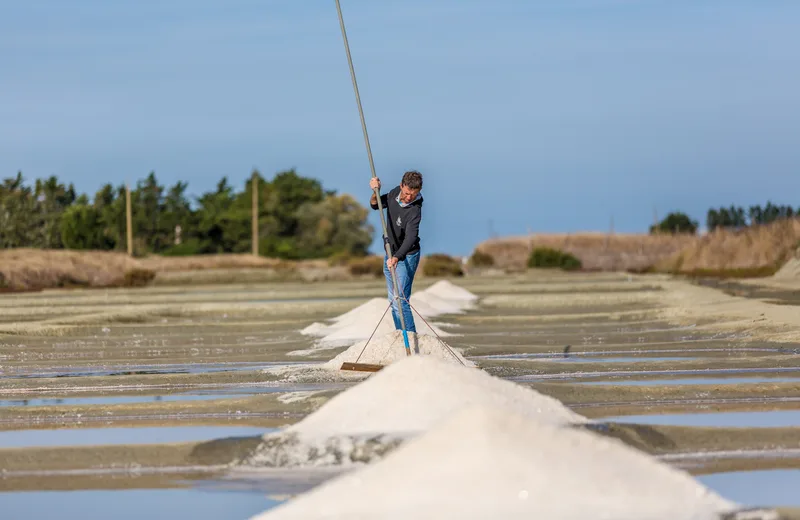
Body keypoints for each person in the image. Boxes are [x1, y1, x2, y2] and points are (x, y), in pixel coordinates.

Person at [369, 170, 423, 334]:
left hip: (406, 256)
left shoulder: (415, 210)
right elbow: (375, 204)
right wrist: (375, 191)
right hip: (390, 254)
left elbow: (410, 238)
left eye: (413, 194)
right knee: (393, 301)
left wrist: (397, 257)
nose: (409, 198)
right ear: (401, 186)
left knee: (401, 300)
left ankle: (411, 339)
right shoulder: (394, 193)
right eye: (407, 193)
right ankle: (401, 335)